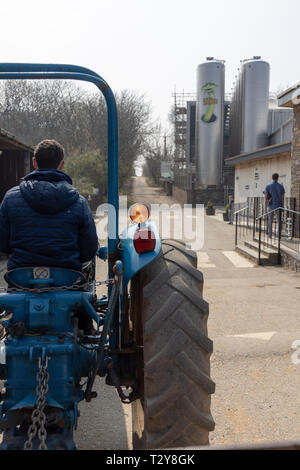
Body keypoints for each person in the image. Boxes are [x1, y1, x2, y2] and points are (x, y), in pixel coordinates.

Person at [0, 139, 98, 272]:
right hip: (67, 278)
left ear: (34, 162)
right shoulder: (79, 202)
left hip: (20, 278)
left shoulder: (10, 198)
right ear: (61, 165)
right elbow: (89, 250)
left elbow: (3, 245)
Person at [263, 173, 285, 239]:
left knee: (270, 220)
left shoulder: (268, 186)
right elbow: (283, 196)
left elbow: (266, 196)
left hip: (270, 205)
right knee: (279, 221)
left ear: (272, 178)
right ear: (278, 178)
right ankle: (278, 236)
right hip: (279, 205)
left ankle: (270, 236)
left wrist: (268, 200)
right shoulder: (281, 186)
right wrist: (282, 205)